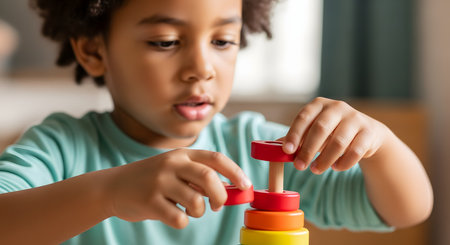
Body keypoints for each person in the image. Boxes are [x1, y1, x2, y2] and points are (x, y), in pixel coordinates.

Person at [0, 0, 433, 244]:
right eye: (166, 41)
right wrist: (109, 193)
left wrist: (380, 145)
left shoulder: (262, 153)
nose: (202, 68)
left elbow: (405, 210)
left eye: (223, 40)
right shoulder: (60, 147)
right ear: (94, 52)